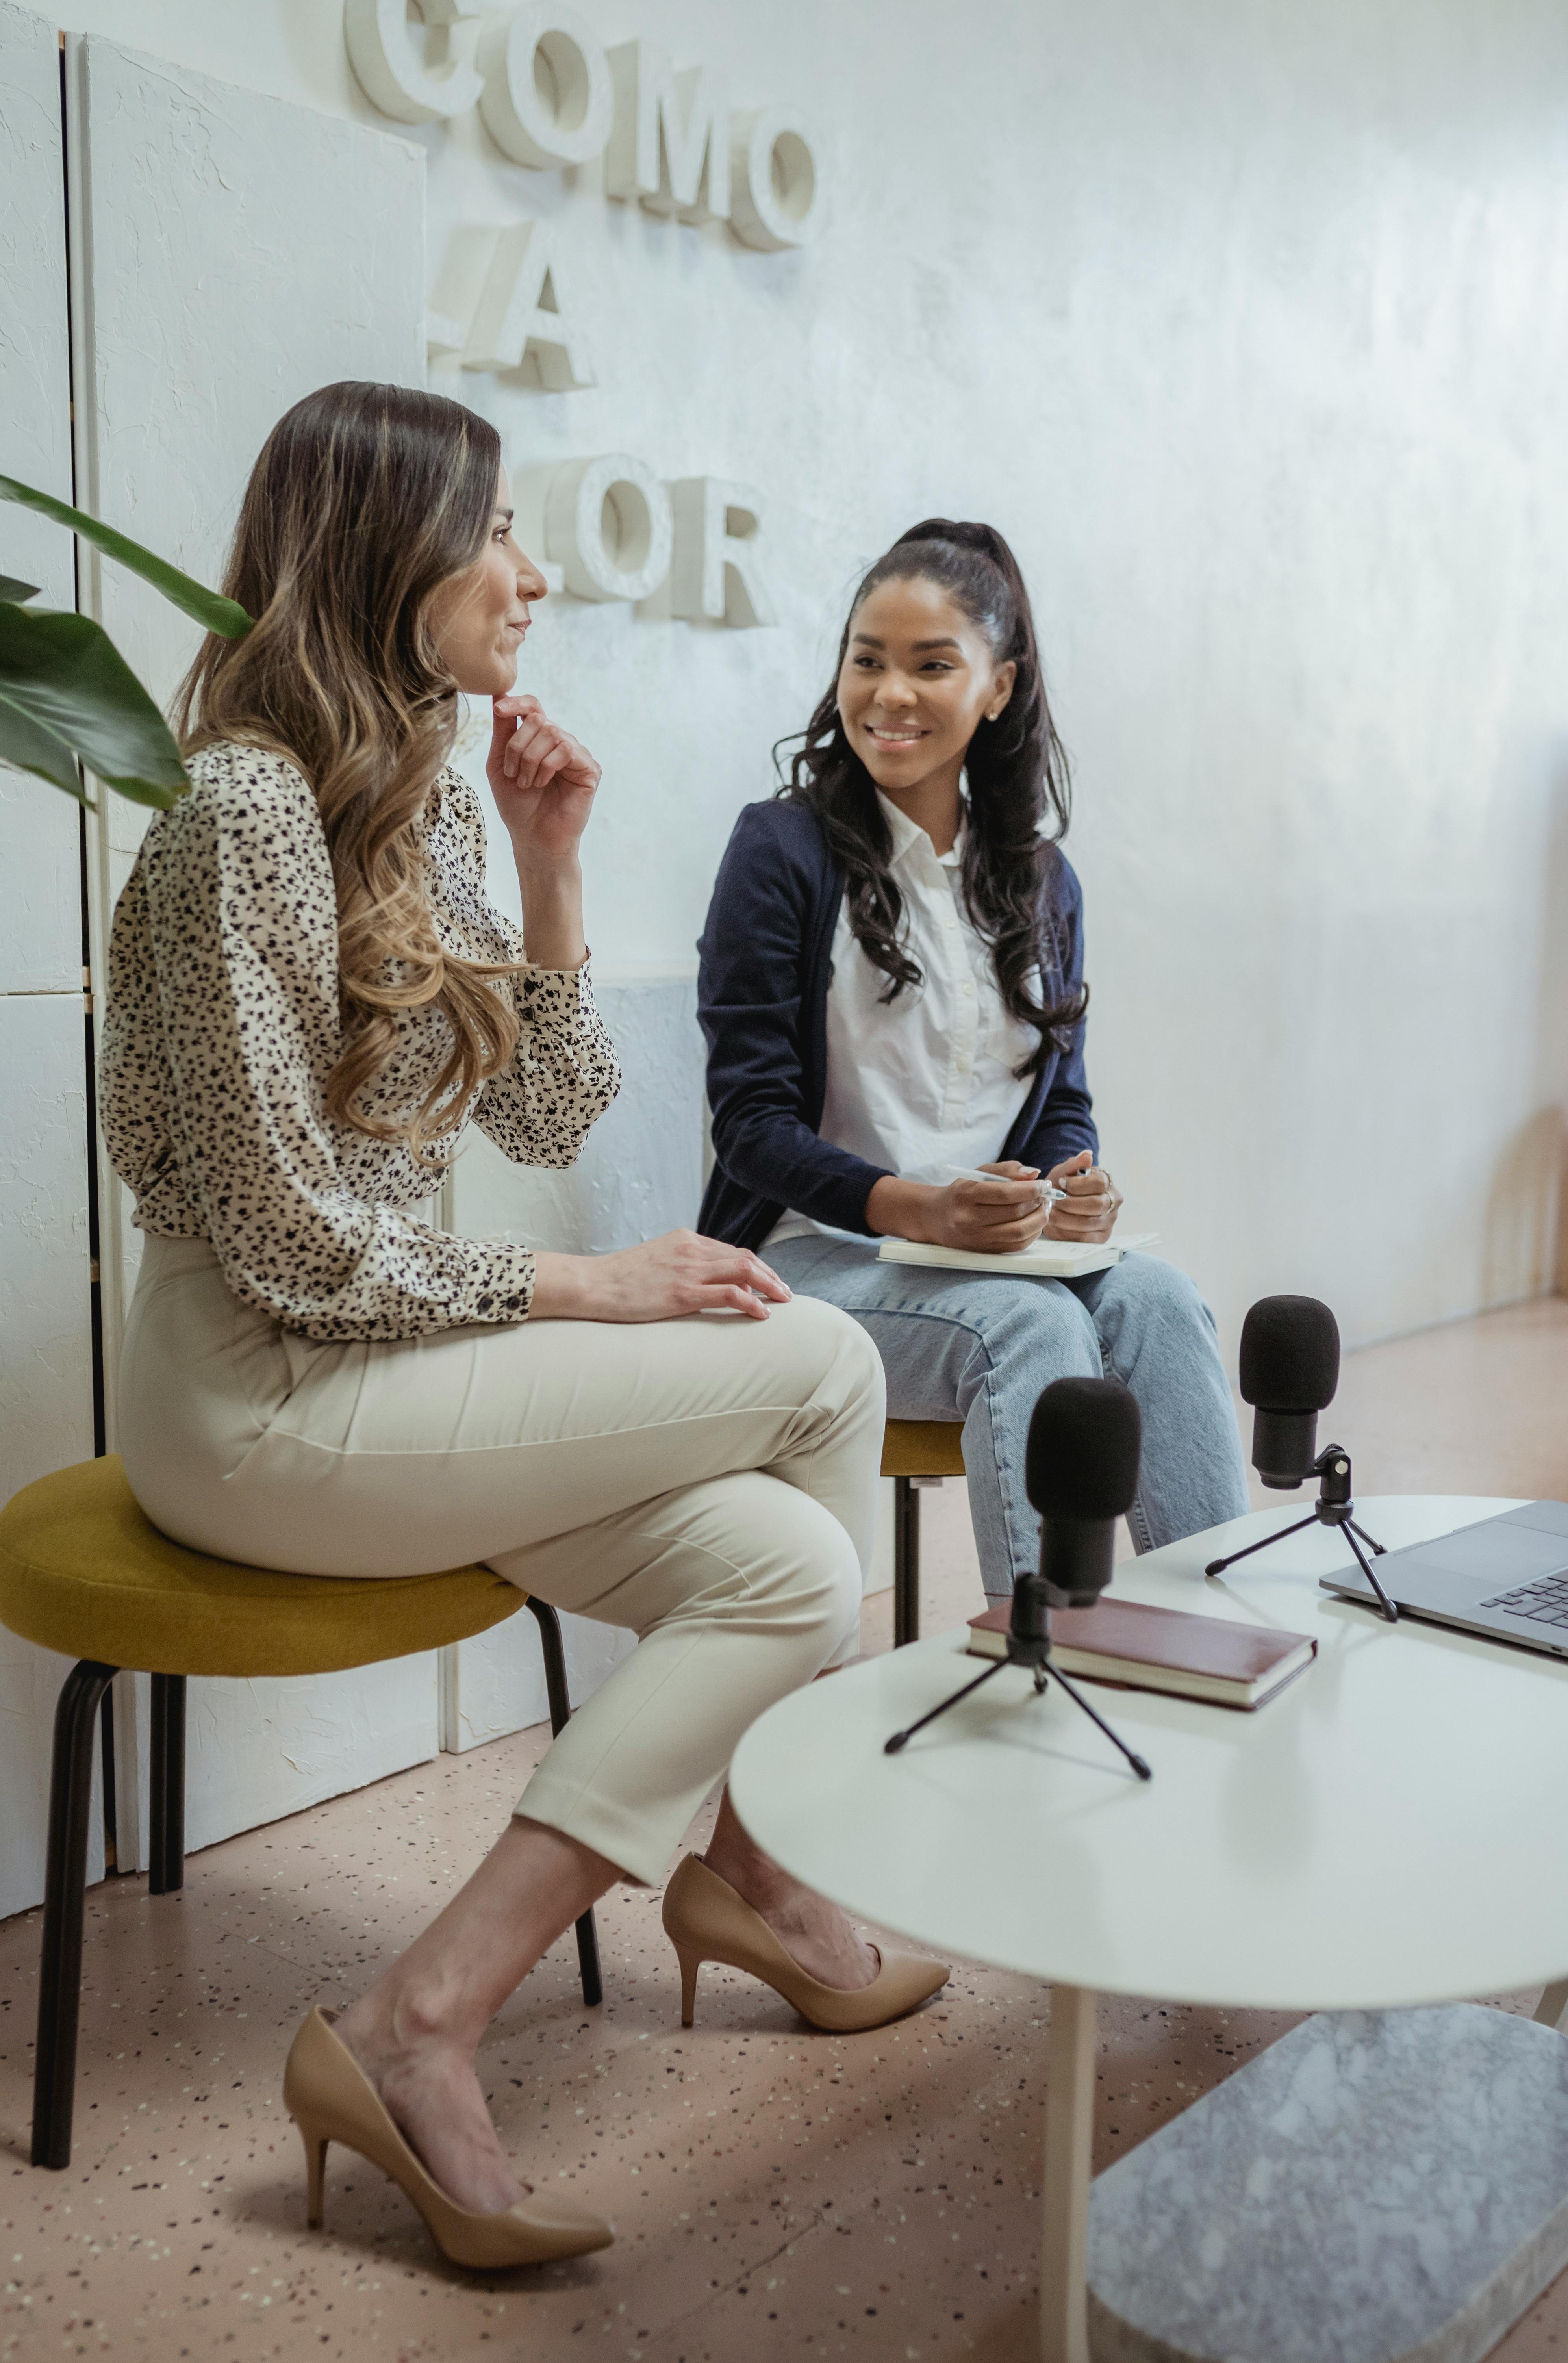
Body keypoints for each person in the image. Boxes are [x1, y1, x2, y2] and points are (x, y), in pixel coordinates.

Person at [100, 384, 945, 2272]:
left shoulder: (413, 792)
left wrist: (549, 860)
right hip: (256, 1393)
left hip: (399, 1372)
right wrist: (587, 1284)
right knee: (818, 1356)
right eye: (496, 529)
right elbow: (285, 1240)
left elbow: (546, 1117)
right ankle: (749, 1870)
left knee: (795, 1570)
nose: (531, 570)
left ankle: (434, 2010)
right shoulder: (243, 808)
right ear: (385, 548)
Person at [696, 519, 1248, 1598]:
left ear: (998, 687)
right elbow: (752, 1130)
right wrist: (923, 1211)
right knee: (1033, 1324)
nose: (889, 693)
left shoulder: (1045, 884)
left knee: (1163, 1301)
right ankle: (1052, 1670)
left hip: (985, 1260)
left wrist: (1069, 1184)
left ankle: (1219, 1635)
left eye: (931, 664)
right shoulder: (782, 850)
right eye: (868, 658)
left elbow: (1060, 1106)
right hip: (806, 1260)